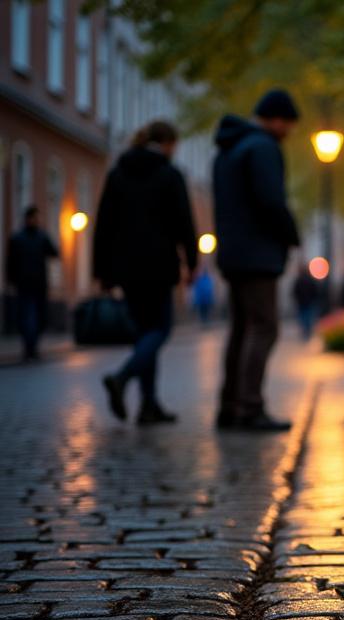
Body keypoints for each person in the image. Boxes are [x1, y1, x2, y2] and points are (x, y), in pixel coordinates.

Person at [93, 121, 198, 424]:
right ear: (167, 143)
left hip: (125, 268)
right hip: (159, 266)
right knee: (160, 329)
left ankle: (149, 405)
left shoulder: (118, 174)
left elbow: (103, 225)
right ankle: (123, 377)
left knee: (143, 333)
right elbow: (184, 223)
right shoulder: (169, 175)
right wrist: (191, 262)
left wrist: (101, 271)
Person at [212, 89, 302, 431]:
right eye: (288, 124)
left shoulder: (227, 150)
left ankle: (230, 406)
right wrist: (291, 234)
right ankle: (250, 407)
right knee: (265, 327)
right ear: (276, 119)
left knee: (239, 329)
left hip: (234, 253)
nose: (289, 132)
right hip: (259, 254)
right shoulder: (263, 148)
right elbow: (271, 201)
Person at [5, 206, 58, 361]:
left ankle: (32, 347)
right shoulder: (19, 239)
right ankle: (30, 348)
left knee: (37, 316)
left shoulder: (40, 237)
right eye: (35, 217)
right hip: (26, 284)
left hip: (37, 284)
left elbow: (54, 252)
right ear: (29, 218)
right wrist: (12, 280)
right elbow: (11, 262)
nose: (36, 220)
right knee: (28, 316)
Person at [291, 268, 321, 341]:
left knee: (303, 317)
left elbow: (294, 291)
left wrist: (297, 299)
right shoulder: (311, 280)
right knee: (308, 317)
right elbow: (315, 290)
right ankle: (308, 331)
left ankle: (305, 331)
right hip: (309, 302)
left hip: (301, 302)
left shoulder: (299, 280)